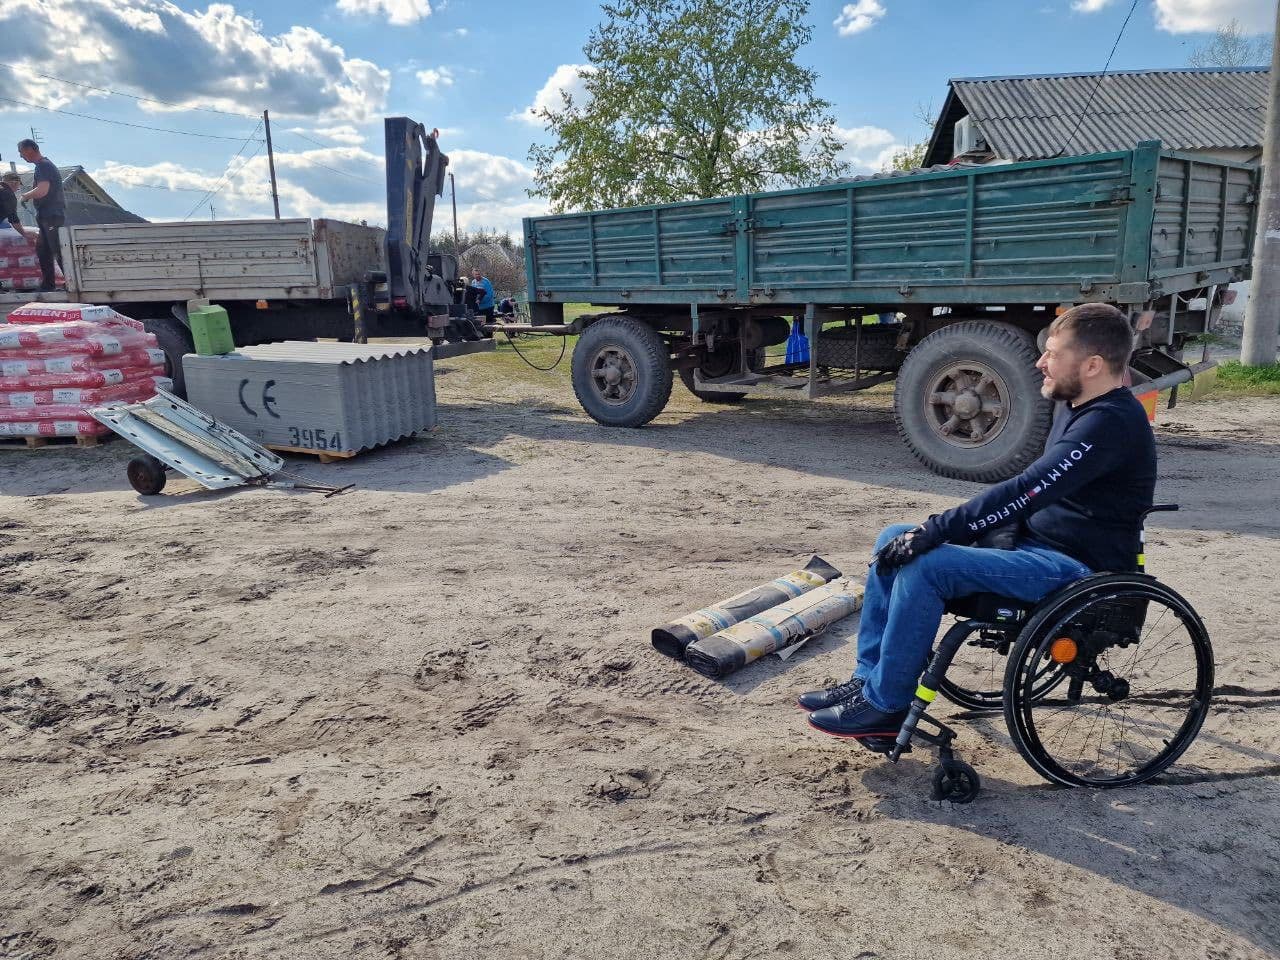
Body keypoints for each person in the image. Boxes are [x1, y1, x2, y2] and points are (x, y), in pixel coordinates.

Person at [800, 303, 1155, 742]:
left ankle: (886, 704)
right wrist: (950, 530)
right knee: (893, 538)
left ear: (1093, 365)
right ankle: (868, 679)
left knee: (929, 563)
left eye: (1053, 353)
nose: (1040, 361)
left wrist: (938, 530)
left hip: (1077, 569)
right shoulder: (1076, 403)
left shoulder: (1109, 423)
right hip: (1035, 545)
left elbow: (1028, 488)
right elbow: (1031, 495)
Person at [16, 139, 66, 291]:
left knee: (56, 249)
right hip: (48, 215)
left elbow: (43, 190)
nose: (21, 156)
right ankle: (48, 284)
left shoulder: (43, 166)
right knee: (43, 250)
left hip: (51, 215)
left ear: (30, 149)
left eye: (21, 152)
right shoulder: (44, 166)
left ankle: (69, 282)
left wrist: (25, 196)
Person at [0, 171, 30, 240]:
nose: (17, 189)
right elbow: (13, 218)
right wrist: (24, 233)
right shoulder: (8, 194)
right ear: (14, 183)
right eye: (18, 185)